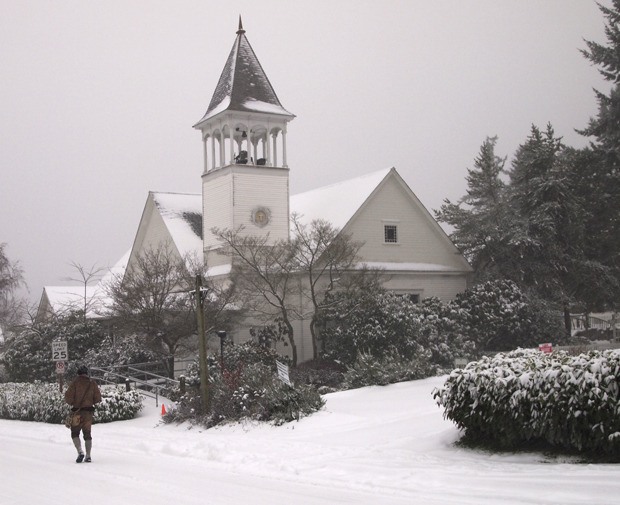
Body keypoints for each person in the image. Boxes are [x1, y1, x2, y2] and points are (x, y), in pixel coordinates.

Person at [64, 365, 102, 463]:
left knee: (75, 433)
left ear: (78, 373)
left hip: (77, 413)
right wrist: (90, 401)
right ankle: (88, 455)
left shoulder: (75, 383)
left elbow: (68, 398)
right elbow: (98, 398)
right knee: (87, 434)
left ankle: (80, 451)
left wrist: (74, 402)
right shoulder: (92, 383)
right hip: (88, 413)